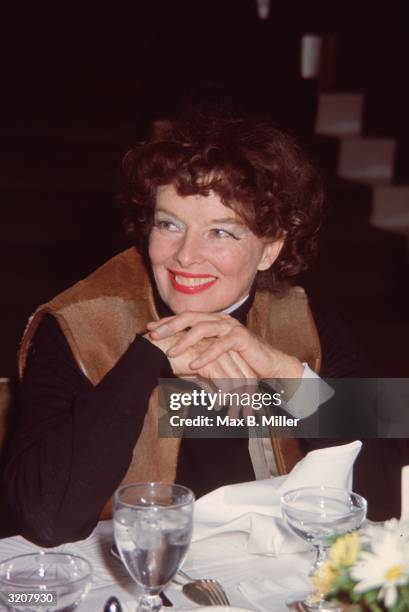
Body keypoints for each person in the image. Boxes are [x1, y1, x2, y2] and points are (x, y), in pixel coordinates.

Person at [2, 114, 396, 548]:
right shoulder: (78, 325)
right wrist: (147, 360)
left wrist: (290, 376)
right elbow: (47, 519)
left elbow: (377, 498)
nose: (186, 256)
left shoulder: (304, 321)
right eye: (169, 224)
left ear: (270, 248)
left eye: (220, 232)